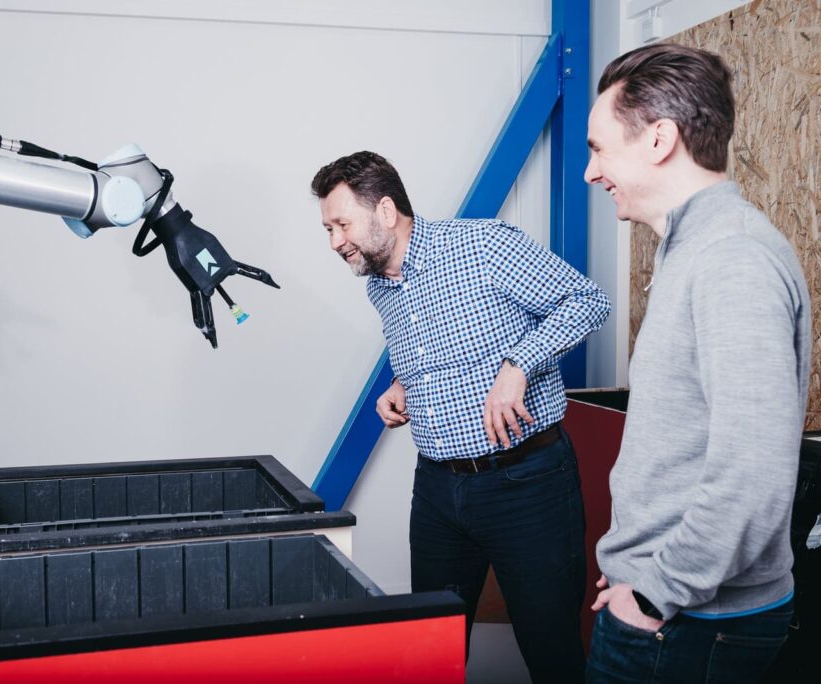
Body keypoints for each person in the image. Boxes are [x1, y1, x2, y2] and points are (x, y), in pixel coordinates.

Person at [311, 151, 610, 682]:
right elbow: (436, 347)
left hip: (527, 484)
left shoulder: (483, 244)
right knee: (430, 651)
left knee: (551, 652)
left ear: (384, 210)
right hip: (437, 492)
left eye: (341, 224)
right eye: (328, 228)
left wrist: (518, 367)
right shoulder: (380, 284)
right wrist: (403, 385)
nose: (334, 241)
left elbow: (586, 301)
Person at [584, 43, 811, 683]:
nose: (589, 172)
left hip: (691, 623)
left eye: (599, 148)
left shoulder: (731, 259)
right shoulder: (690, 249)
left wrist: (656, 590)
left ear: (659, 139)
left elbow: (752, 472)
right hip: (677, 605)